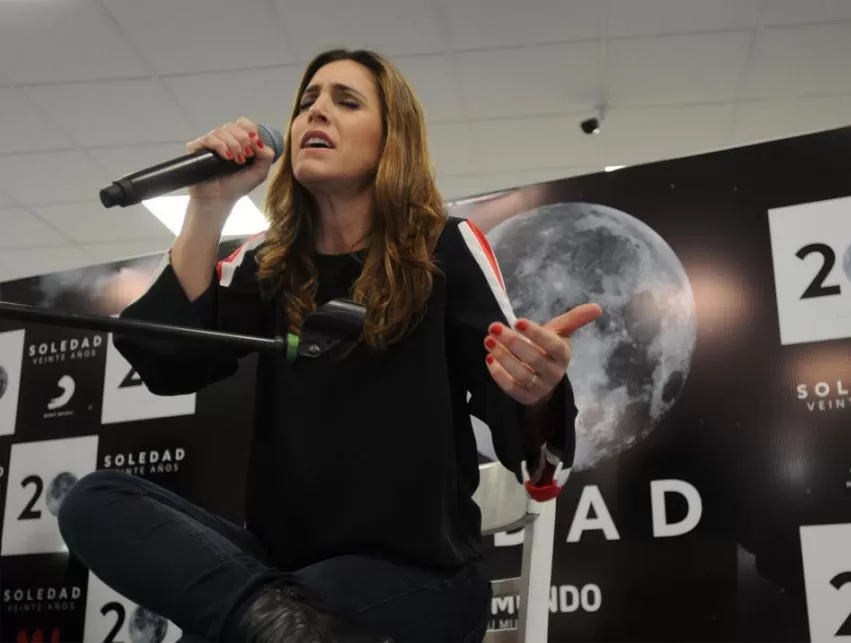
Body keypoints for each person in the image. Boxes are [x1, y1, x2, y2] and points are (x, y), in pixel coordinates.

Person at [56, 48, 600, 643]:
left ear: (392, 139)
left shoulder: (441, 248)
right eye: (307, 102)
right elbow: (167, 362)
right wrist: (208, 205)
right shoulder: (268, 261)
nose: (316, 112)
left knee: (264, 622)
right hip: (280, 577)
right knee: (95, 500)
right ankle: (267, 622)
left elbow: (529, 445)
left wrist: (538, 391)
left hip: (423, 576)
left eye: (346, 101)